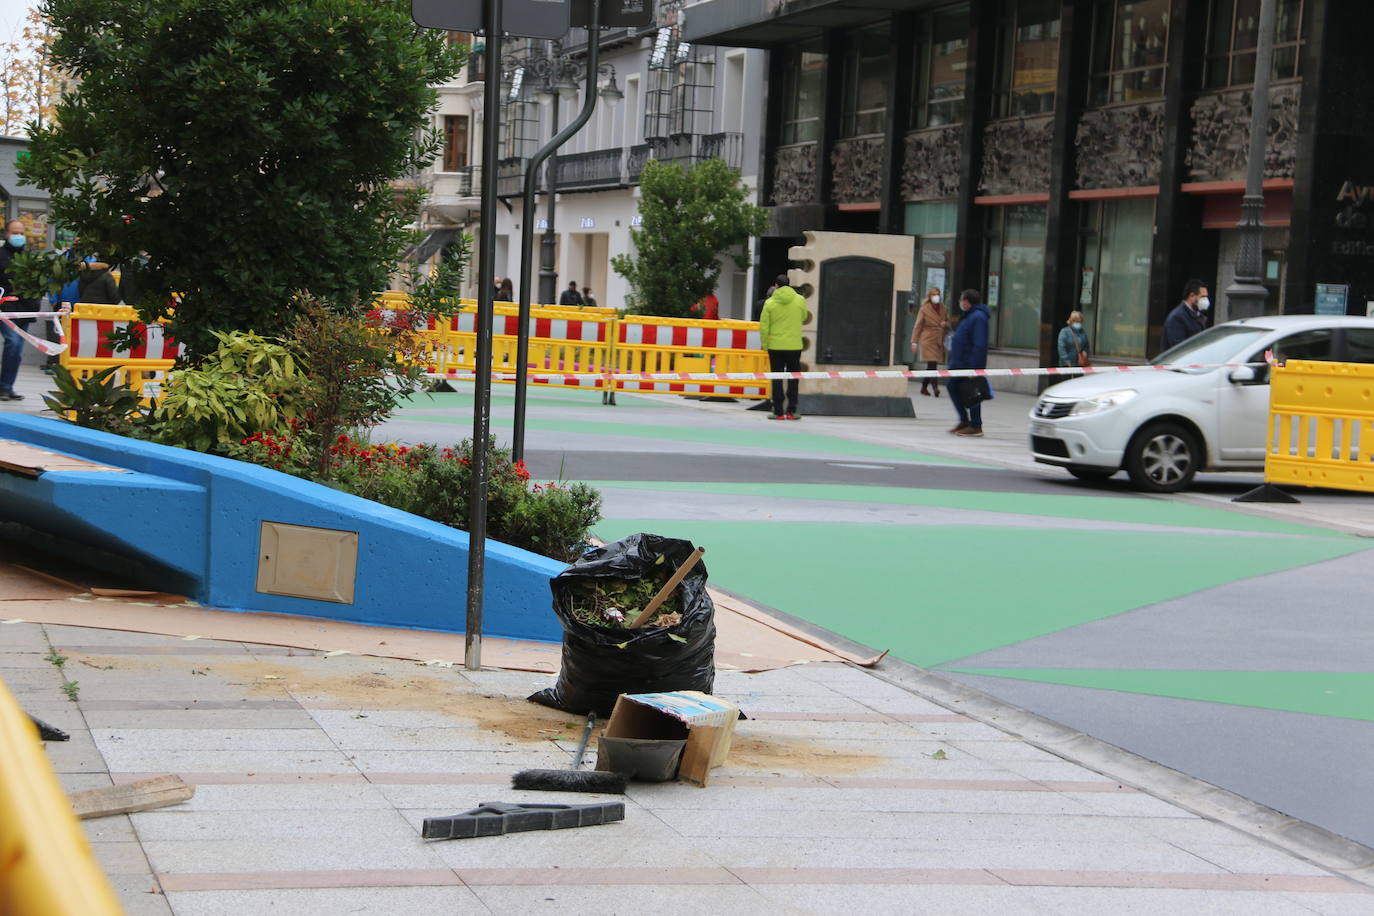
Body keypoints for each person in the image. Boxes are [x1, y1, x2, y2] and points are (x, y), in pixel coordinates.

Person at [759, 274, 809, 420]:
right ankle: (792, 410)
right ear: (789, 284)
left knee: (777, 377)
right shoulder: (799, 300)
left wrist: (765, 345)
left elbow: (764, 326)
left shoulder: (770, 303)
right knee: (794, 377)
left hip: (775, 346)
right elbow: (804, 317)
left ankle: (778, 411)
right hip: (794, 345)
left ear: (776, 286)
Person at [946, 288, 991, 437]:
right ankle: (964, 420)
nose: (960, 302)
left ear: (966, 301)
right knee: (954, 387)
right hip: (960, 363)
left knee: (972, 393)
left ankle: (976, 425)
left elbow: (980, 344)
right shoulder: (968, 316)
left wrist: (975, 369)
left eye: (961, 299)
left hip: (969, 364)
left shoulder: (978, 317)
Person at [0, 219, 35, 400]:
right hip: (5, 309)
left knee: (17, 350)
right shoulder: (1, 255)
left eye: (22, 233)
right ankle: (5, 387)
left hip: (25, 309)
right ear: (6, 234)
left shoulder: (30, 257)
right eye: (15, 232)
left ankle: (7, 386)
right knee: (13, 343)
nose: (19, 236)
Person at [910, 287, 948, 397]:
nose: (937, 296)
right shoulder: (924, 309)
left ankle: (924, 387)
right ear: (930, 296)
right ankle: (935, 388)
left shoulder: (943, 308)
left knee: (931, 365)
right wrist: (914, 342)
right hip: (928, 339)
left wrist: (944, 323)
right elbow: (918, 326)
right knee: (932, 364)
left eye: (938, 294)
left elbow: (946, 320)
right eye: (934, 294)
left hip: (938, 339)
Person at [1160, 279, 1210, 352]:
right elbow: (1178, 350)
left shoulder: (1199, 316)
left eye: (1206, 297)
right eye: (1202, 297)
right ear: (1192, 296)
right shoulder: (1177, 318)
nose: (1205, 300)